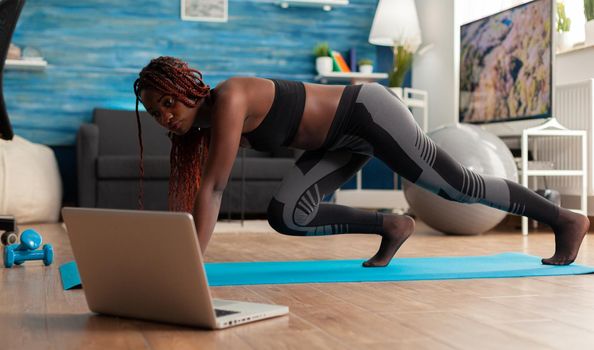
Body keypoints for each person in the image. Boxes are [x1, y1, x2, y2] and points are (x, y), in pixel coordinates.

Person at [133, 56, 589, 267]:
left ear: (187, 89)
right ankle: (391, 226)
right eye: (155, 113)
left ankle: (564, 218)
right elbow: (205, 187)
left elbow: (212, 188)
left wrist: (188, 264)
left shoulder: (230, 98)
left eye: (167, 103)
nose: (164, 117)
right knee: (286, 214)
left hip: (366, 112)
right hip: (338, 141)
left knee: (457, 186)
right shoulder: (207, 126)